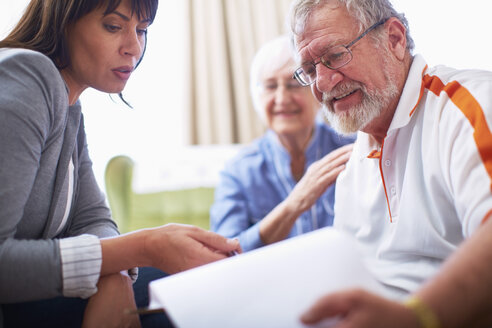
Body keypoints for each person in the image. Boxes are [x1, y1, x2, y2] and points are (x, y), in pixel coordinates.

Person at [0, 0, 241, 327]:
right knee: (190, 293)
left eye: (141, 30)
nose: (134, 47)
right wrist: (145, 246)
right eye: (114, 27)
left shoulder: (70, 106)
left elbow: (93, 216)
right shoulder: (28, 78)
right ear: (63, 21)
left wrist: (115, 278)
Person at [288, 0, 492, 327]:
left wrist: (416, 317)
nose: (323, 83)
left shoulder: (468, 106)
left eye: (336, 55)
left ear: (395, 39)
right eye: (310, 70)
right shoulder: (355, 161)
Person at [210, 35, 354, 252]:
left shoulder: (352, 150)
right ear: (257, 98)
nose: (282, 98)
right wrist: (294, 205)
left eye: (294, 85)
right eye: (270, 86)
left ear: (317, 91)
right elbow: (222, 253)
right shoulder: (238, 172)